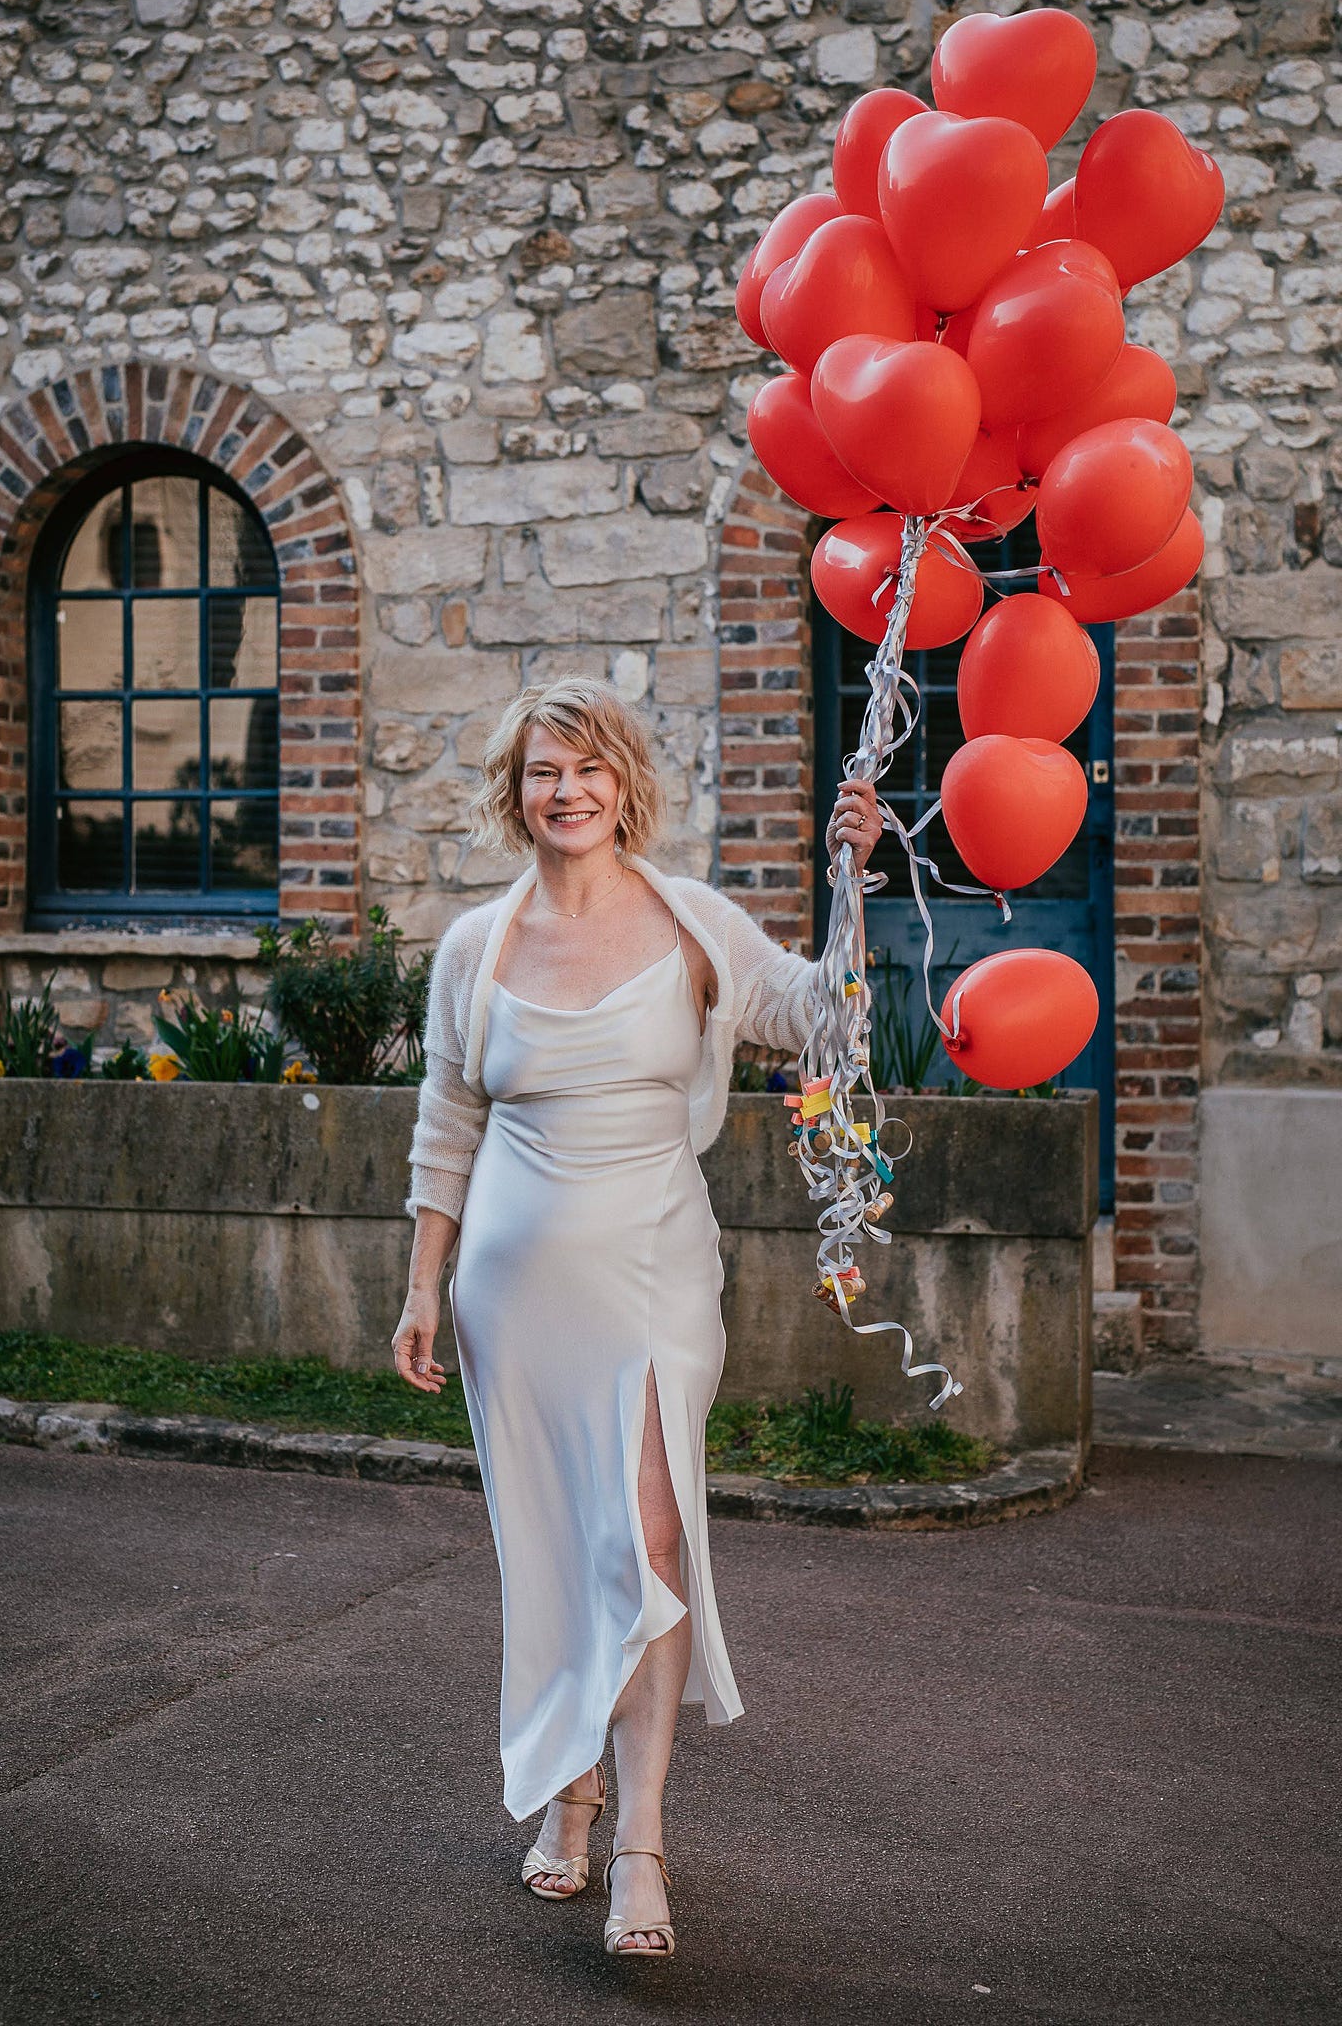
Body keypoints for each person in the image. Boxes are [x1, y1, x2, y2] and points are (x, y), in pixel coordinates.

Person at [394, 676, 880, 1960]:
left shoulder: (691, 923)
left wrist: (851, 883)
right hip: (514, 1296)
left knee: (653, 1539)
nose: (569, 792)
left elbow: (821, 1016)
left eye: (590, 769)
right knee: (557, 1550)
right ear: (517, 792)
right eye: (546, 772)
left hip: (659, 1277)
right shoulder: (474, 949)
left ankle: (641, 1845)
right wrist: (419, 1284)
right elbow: (449, 1121)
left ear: (624, 786)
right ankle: (569, 1784)